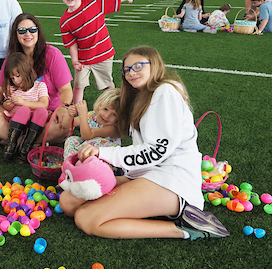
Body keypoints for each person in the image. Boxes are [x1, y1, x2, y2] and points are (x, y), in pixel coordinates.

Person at [58, 45, 229, 241]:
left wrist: (102, 152)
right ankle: (147, 209)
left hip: (171, 181)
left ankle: (187, 228)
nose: (131, 73)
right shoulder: (140, 97)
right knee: (68, 202)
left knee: (86, 218)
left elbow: (156, 151)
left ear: (154, 65)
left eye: (138, 66)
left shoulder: (165, 91)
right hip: (145, 174)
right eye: (127, 69)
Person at [58, 0, 161, 103]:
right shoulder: (64, 21)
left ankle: (116, 105)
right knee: (78, 86)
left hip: (103, 54)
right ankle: (76, 112)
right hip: (83, 60)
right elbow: (72, 43)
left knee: (108, 83)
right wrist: (75, 60)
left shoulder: (94, 2)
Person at [0, 13, 73, 146]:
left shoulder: (52, 54)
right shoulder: (12, 59)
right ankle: (30, 142)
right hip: (16, 115)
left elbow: (66, 90)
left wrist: (64, 107)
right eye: (22, 31)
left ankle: (12, 140)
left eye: (32, 30)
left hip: (47, 114)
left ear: (38, 32)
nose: (28, 34)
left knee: (66, 121)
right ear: (15, 35)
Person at [0, 52, 49, 162]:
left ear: (26, 71)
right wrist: (7, 105)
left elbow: (44, 104)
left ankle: (26, 147)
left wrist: (23, 102)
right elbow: (6, 105)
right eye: (12, 78)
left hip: (35, 124)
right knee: (24, 110)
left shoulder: (40, 86)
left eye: (18, 76)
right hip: (17, 123)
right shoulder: (12, 88)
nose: (15, 80)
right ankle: (11, 146)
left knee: (42, 111)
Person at [63, 89, 121, 159]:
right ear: (100, 105)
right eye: (105, 109)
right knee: (71, 140)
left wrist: (83, 115)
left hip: (102, 155)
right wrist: (70, 115)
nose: (106, 116)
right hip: (86, 148)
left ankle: (81, 163)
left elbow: (87, 136)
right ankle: (71, 162)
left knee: (93, 143)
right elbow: (65, 125)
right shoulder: (92, 115)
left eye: (114, 114)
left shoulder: (112, 128)